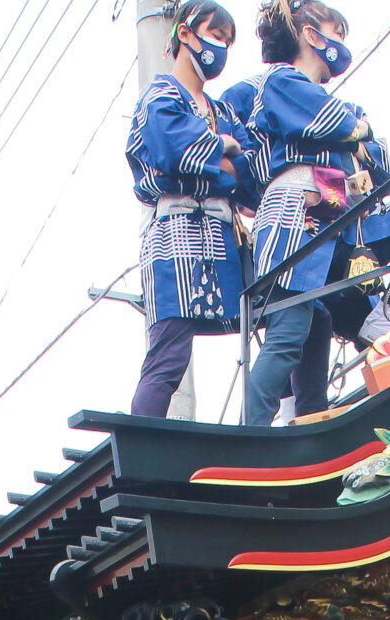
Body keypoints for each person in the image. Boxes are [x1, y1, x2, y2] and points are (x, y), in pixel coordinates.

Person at [241, 2, 382, 428]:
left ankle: (311, 426)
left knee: (314, 323)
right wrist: (360, 129)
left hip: (328, 216)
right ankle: (250, 435)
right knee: (287, 334)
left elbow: (373, 156)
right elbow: (343, 125)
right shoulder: (283, 80)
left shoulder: (304, 90)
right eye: (333, 31)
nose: (339, 43)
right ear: (309, 34)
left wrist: (361, 137)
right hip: (293, 215)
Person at [127, 2, 250, 417]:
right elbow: (174, 151)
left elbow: (248, 169)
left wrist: (217, 156)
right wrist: (221, 150)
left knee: (285, 312)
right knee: (169, 353)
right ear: (185, 33)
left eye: (228, 41)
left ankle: (290, 417)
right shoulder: (159, 97)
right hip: (174, 227)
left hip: (223, 232)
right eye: (215, 35)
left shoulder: (223, 111)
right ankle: (142, 453)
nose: (221, 47)